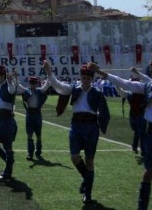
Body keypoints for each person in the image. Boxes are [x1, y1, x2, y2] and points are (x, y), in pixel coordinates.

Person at [91, 56, 152, 210]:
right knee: (148, 173)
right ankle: (141, 207)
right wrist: (100, 72)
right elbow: (124, 83)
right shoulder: (148, 87)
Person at [44, 60, 110, 204]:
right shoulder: (74, 88)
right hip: (76, 125)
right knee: (74, 157)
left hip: (91, 127)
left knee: (89, 161)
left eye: (88, 78)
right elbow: (59, 87)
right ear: (80, 77)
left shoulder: (97, 92)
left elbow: (104, 112)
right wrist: (49, 72)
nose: (85, 80)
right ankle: (87, 180)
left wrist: (102, 126)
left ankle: (88, 193)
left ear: (92, 79)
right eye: (83, 77)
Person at [16, 75, 50, 160]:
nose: (33, 85)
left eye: (34, 83)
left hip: (37, 114)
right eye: (31, 83)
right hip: (30, 114)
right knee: (29, 134)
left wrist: (49, 75)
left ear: (37, 84)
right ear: (29, 83)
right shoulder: (26, 91)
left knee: (38, 134)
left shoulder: (39, 91)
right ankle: (30, 153)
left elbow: (46, 86)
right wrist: (15, 77)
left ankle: (38, 152)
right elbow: (18, 85)